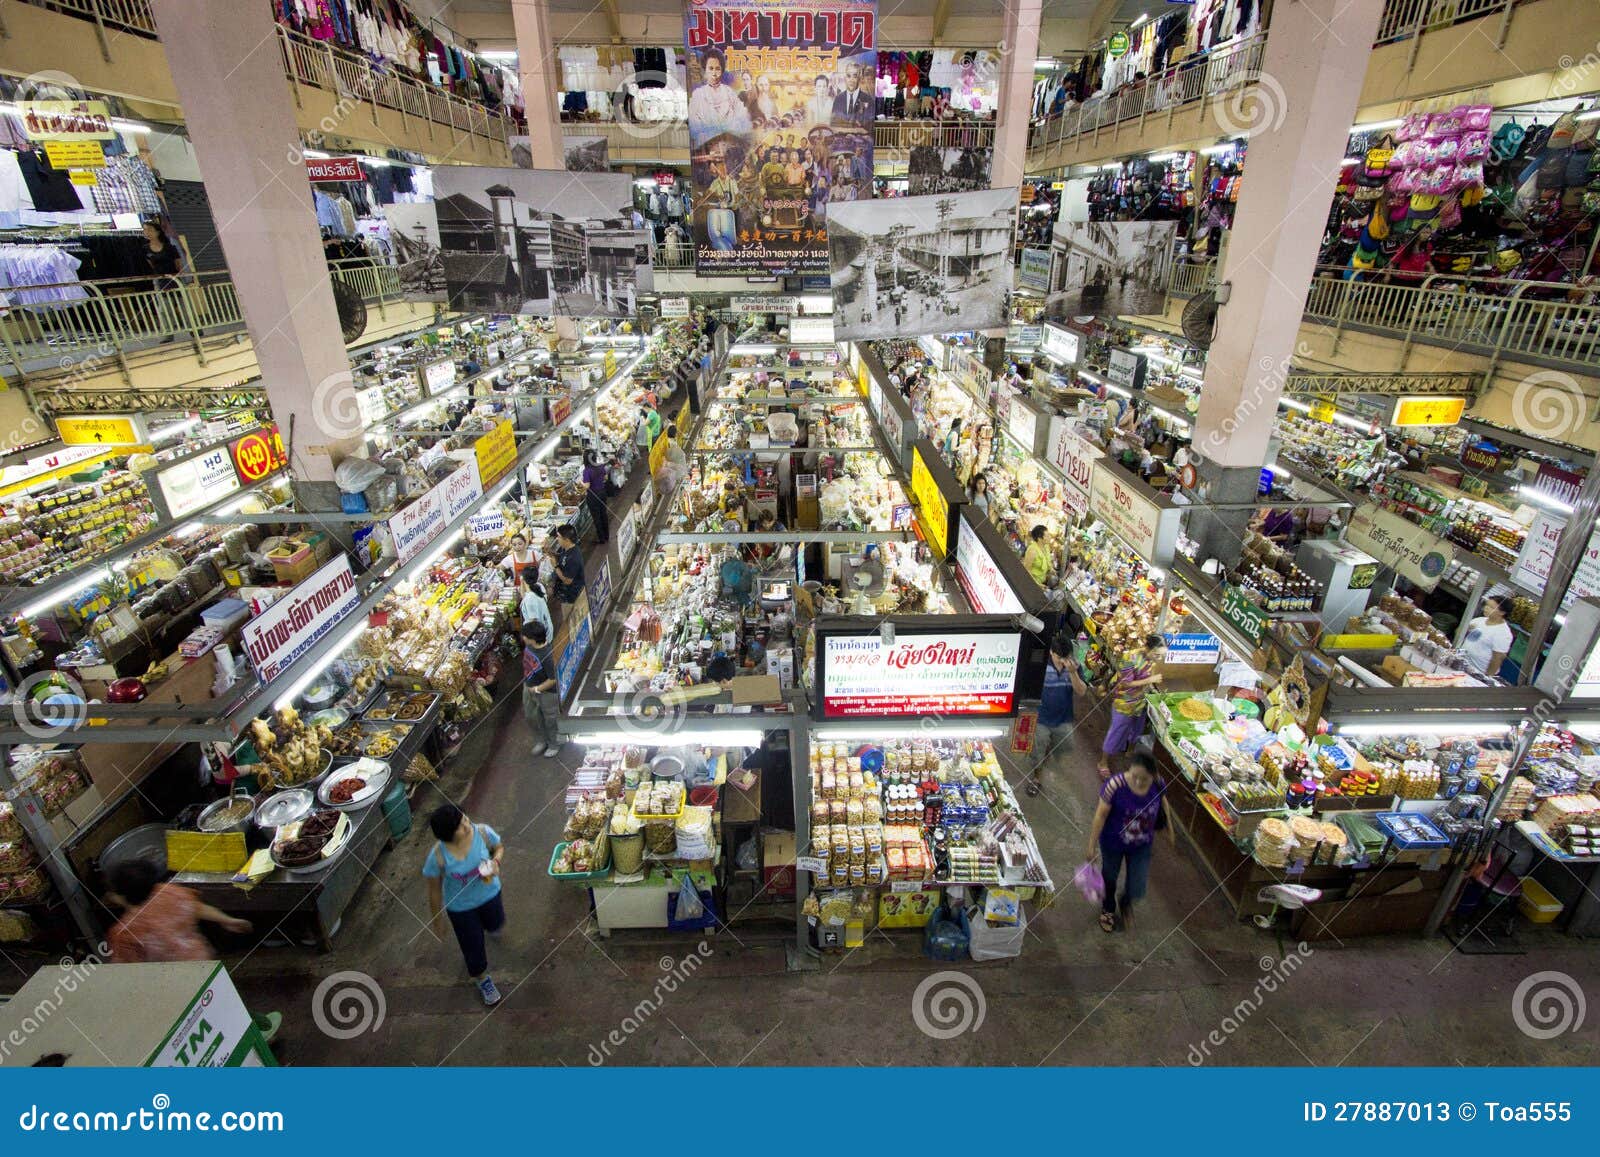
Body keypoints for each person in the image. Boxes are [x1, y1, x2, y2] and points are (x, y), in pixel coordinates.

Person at [105, 860, 281, 1040]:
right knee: (222, 1002)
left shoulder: (124, 933)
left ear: (120, 895)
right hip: (204, 963)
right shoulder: (167, 892)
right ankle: (256, 1032)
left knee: (204, 1020)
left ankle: (249, 1041)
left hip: (174, 987)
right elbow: (197, 908)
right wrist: (227, 920)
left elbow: (128, 973)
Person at [422, 803, 506, 1006]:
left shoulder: (483, 832)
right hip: (461, 908)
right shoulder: (438, 856)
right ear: (447, 835)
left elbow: (499, 847)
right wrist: (437, 920)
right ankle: (482, 979)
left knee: (496, 923)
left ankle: (490, 926)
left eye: (465, 818)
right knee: (472, 946)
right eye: (460, 826)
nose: (467, 825)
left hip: (490, 893)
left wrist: (496, 862)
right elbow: (433, 890)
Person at [1084, 752, 1166, 932]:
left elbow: (1163, 802)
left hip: (1141, 845)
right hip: (1113, 843)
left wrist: (1170, 829)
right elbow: (1100, 815)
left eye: (1144, 779)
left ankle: (1126, 902)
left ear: (1153, 775)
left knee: (1137, 884)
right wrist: (1091, 845)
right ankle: (1108, 909)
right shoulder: (1115, 785)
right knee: (1110, 877)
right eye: (1134, 776)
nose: (1138, 782)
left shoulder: (1158, 783)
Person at [1028, 633, 1089, 797]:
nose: (1062, 661)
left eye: (1065, 657)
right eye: (1059, 657)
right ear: (1051, 653)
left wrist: (1073, 673)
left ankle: (1045, 756)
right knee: (1037, 749)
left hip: (1063, 719)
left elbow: (1081, 692)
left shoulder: (1074, 667)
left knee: (1061, 747)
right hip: (1041, 717)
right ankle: (1036, 779)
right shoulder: (1040, 664)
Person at [1098, 633, 1164, 778]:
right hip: (1124, 701)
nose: (1159, 658)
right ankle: (1103, 762)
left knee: (1137, 728)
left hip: (1140, 701)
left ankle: (1129, 751)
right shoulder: (1130, 658)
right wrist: (1150, 680)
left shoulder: (1151, 660)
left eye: (1161, 656)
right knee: (1117, 731)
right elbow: (1126, 683)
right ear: (1148, 648)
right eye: (1157, 655)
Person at [687, 49, 751, 148]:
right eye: (711, 68)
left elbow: (743, 117)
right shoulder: (698, 95)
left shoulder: (729, 92)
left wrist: (731, 132)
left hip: (730, 145)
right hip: (707, 146)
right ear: (705, 69)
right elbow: (694, 125)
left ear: (722, 70)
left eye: (717, 69)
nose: (714, 73)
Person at [520, 620, 561, 757]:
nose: (523, 637)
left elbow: (553, 679)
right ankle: (541, 741)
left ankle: (554, 744)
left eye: (525, 635)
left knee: (550, 719)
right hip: (529, 687)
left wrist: (537, 689)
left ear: (532, 639)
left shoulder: (548, 655)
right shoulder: (530, 647)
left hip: (547, 693)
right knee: (532, 717)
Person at [142, 219, 186, 342]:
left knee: (184, 305)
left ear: (158, 232)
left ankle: (194, 328)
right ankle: (168, 334)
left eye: (150, 229)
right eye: (145, 230)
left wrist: (179, 276)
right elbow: (150, 265)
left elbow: (178, 264)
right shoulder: (145, 249)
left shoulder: (169, 247)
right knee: (164, 309)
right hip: (159, 280)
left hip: (175, 278)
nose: (147, 232)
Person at [1462, 594, 1515, 678]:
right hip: (1462, 663)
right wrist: (1466, 629)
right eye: (1486, 605)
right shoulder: (1478, 620)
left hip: (1477, 673)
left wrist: (1486, 677)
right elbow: (1460, 633)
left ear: (1502, 612)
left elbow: (1497, 659)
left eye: (1491, 607)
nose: (1486, 608)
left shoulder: (1503, 634)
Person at [580, 449, 612, 544]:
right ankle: (606, 536)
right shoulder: (600, 466)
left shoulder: (587, 470)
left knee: (596, 517)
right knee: (603, 514)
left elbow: (587, 486)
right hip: (602, 493)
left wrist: (580, 482)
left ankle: (601, 538)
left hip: (593, 496)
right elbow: (605, 478)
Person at [551, 524, 585, 607]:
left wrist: (555, 566)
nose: (557, 539)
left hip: (572, 593)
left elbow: (567, 581)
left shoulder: (574, 558)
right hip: (565, 591)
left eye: (558, 537)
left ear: (566, 539)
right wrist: (549, 552)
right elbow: (562, 557)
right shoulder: (567, 548)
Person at [831, 61, 872, 127]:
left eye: (855, 76)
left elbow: (869, 125)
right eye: (848, 76)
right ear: (845, 78)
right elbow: (833, 123)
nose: (851, 80)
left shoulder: (868, 99)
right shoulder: (838, 99)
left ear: (860, 78)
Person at [519, 572, 554, 643]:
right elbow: (523, 596)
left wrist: (527, 637)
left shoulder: (530, 599)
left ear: (525, 580)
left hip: (540, 634)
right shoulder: (539, 586)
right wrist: (522, 582)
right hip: (546, 627)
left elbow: (533, 621)